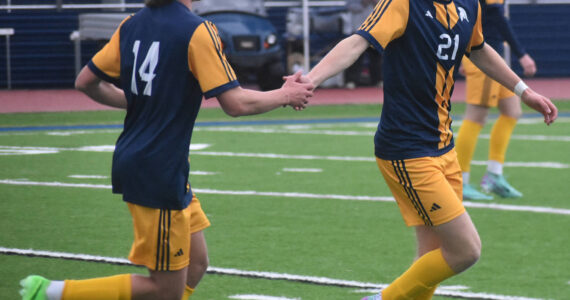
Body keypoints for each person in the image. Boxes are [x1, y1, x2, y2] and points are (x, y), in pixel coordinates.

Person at [19, 0, 313, 299]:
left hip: (159, 165)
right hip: (157, 170)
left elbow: (86, 82)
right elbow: (235, 103)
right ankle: (50, 292)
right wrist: (285, 94)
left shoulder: (131, 25)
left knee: (196, 265)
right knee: (164, 290)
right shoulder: (198, 30)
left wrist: (141, 101)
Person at [295, 0, 558, 298]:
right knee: (465, 250)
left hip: (444, 147)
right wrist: (310, 80)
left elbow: (480, 48)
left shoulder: (468, 4)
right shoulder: (403, 3)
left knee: (432, 258)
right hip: (406, 149)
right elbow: (358, 42)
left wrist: (524, 91)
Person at [455, 0, 537, 200]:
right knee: (476, 116)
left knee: (512, 111)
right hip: (483, 57)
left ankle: (494, 175)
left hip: (493, 56)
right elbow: (497, 17)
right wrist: (522, 54)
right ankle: (460, 182)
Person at [344, 0, 382, 88]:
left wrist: (374, 2)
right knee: (355, 57)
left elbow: (383, 7)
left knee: (376, 57)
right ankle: (351, 80)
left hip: (374, 29)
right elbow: (350, 7)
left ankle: (378, 80)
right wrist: (364, 2)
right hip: (358, 30)